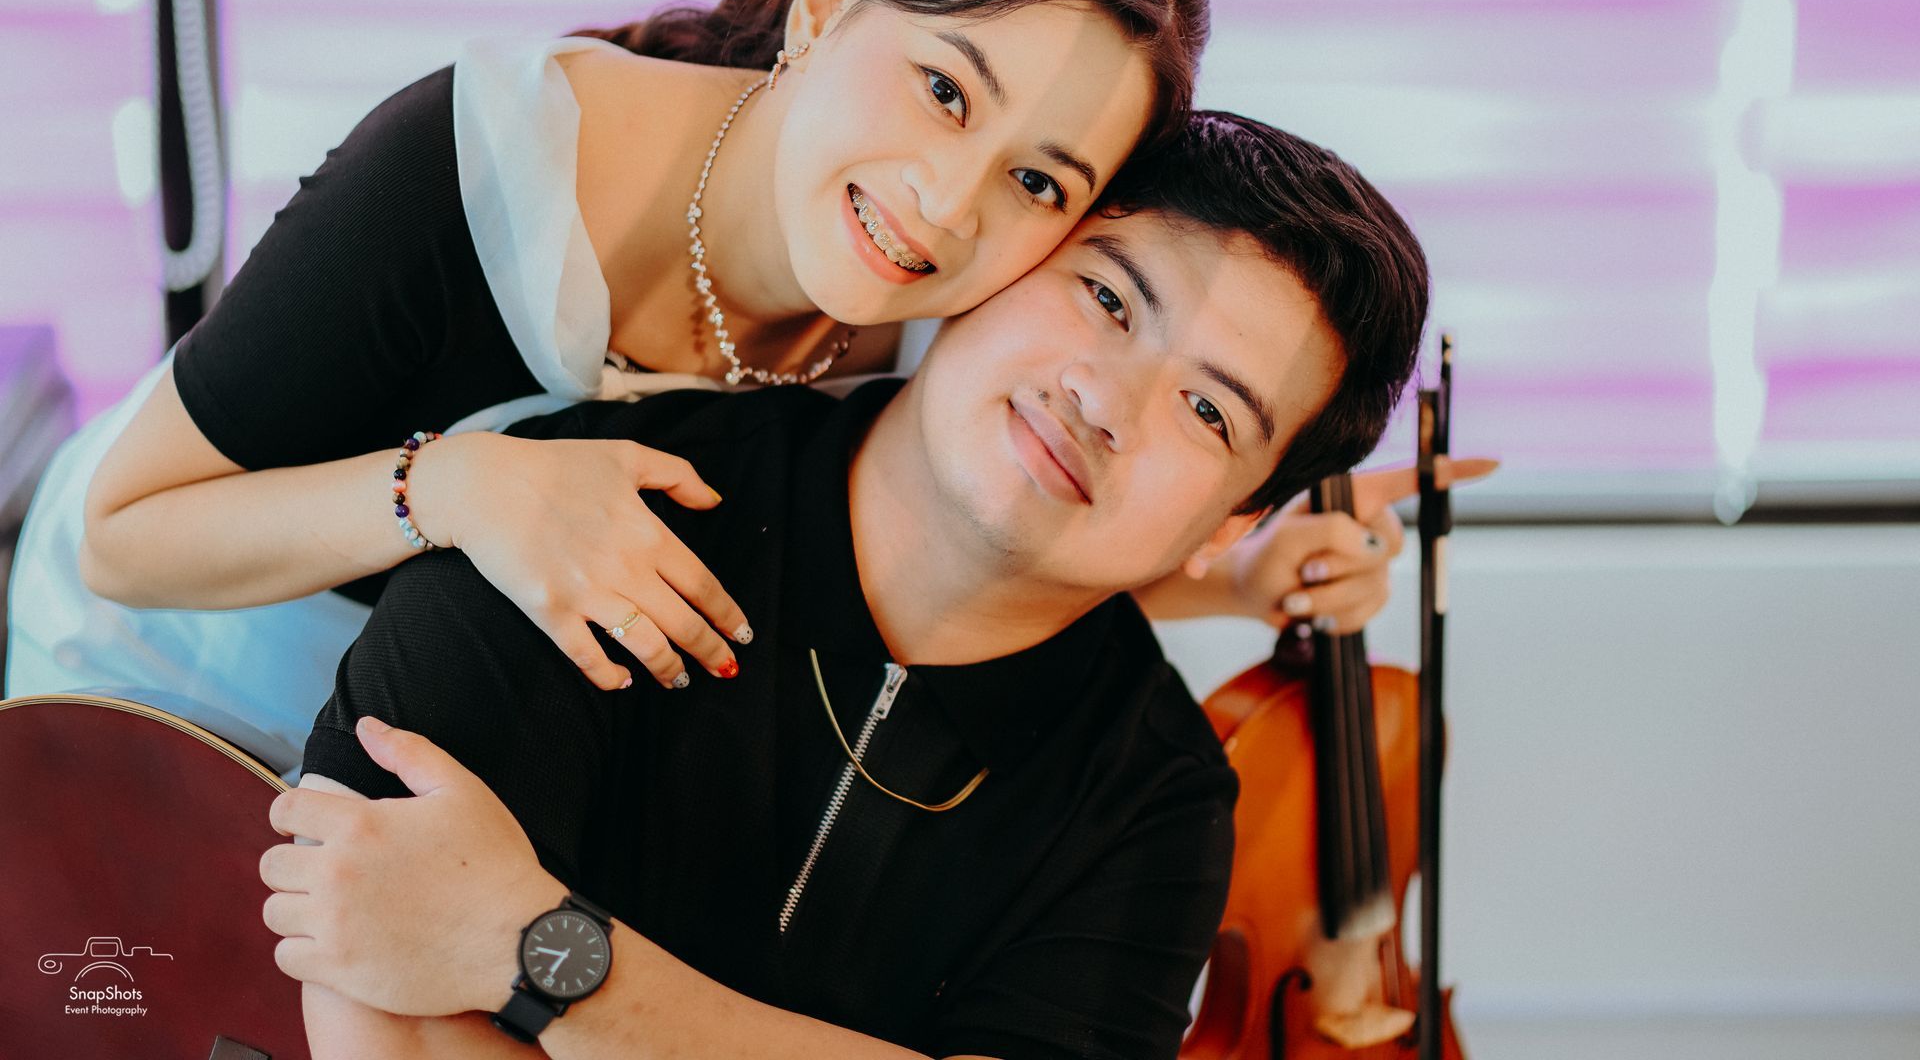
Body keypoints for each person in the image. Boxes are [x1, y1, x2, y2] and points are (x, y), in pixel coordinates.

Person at [5, 0, 1409, 773]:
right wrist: (460, 489)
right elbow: (128, 537)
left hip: (443, 748)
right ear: (829, 8)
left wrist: (1234, 578)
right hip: (166, 679)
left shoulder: (967, 309)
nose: (946, 206)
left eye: (1038, 180)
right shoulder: (469, 165)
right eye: (943, 89)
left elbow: (941, 544)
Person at [262, 110, 1433, 1059]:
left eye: (1209, 410)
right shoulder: (593, 496)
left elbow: (454, 946)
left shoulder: (1158, 798)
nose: (1104, 399)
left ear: (1230, 522)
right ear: (1001, 266)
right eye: (1110, 299)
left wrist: (535, 947)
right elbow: (378, 980)